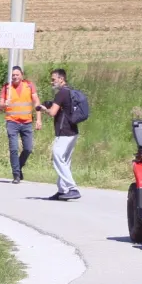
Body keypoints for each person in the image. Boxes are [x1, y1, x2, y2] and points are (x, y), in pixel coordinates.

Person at [36, 68, 81, 201]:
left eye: (54, 79)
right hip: (73, 131)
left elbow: (52, 113)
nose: (52, 82)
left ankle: (72, 188)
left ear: (61, 79)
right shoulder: (70, 92)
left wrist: (44, 109)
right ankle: (62, 190)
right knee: (64, 161)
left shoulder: (61, 93)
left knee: (57, 156)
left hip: (64, 131)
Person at [0, 66, 41, 184]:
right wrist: (4, 104)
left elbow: (36, 102)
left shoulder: (29, 85)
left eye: (17, 74)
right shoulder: (7, 87)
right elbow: (0, 104)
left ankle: (19, 165)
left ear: (22, 75)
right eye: (13, 75)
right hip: (12, 122)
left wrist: (38, 119)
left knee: (28, 148)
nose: (15, 77)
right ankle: (16, 175)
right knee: (13, 149)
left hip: (26, 122)